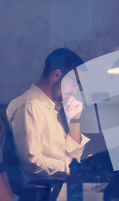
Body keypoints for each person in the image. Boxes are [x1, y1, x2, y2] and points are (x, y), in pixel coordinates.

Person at [6, 48, 90, 183]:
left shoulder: (54, 106)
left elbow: (73, 158)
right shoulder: (29, 105)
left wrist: (74, 119)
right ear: (57, 75)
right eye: (75, 83)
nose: (75, 90)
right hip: (42, 196)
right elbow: (32, 163)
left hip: (60, 188)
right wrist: (73, 168)